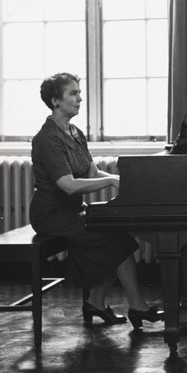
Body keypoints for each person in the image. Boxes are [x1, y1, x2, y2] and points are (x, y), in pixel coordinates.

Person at [29, 72, 163, 329]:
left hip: (73, 210)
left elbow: (91, 173)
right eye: (73, 93)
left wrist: (120, 179)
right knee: (115, 238)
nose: (80, 98)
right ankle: (134, 306)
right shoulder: (46, 139)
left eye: (79, 92)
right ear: (55, 101)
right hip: (51, 216)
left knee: (118, 234)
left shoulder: (75, 132)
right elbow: (68, 186)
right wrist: (112, 182)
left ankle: (101, 302)